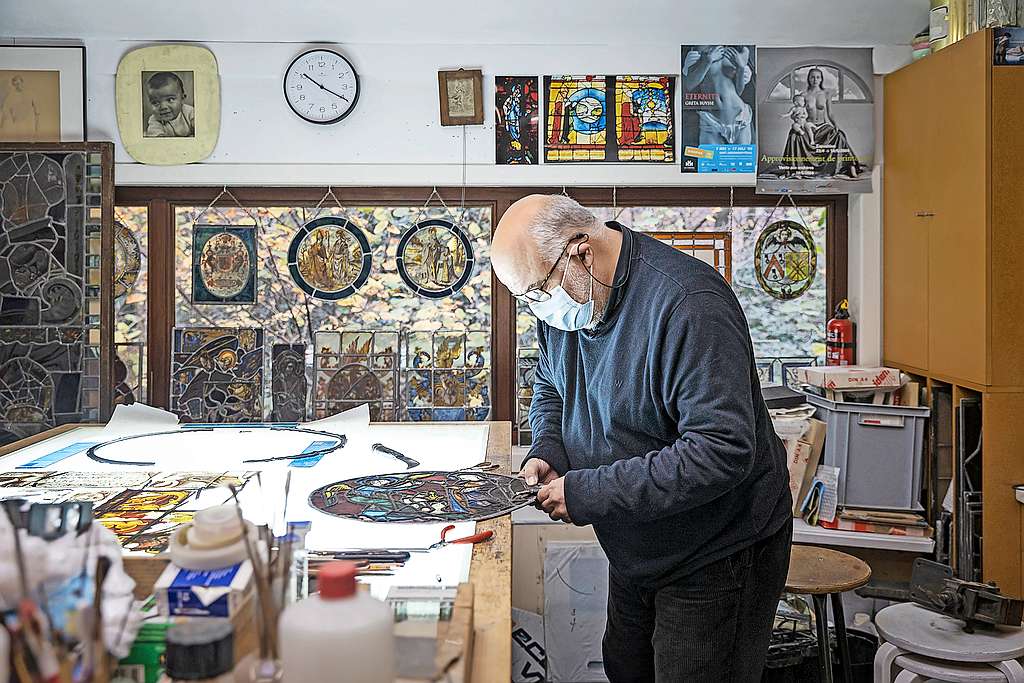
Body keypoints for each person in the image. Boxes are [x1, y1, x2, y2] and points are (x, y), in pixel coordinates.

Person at [492, 194, 792, 682]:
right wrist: (549, 449)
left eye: (537, 292)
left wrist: (588, 491)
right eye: (525, 298)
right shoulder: (572, 304)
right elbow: (550, 383)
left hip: (716, 550)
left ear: (582, 252)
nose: (538, 309)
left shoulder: (689, 305)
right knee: (627, 668)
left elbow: (721, 450)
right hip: (637, 541)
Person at [781, 67, 862, 179]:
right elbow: (797, 112)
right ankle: (793, 169)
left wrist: (835, 124)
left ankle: (850, 166)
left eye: (818, 77)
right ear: (809, 79)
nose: (815, 79)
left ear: (821, 79)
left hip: (823, 127)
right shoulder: (803, 95)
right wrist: (796, 119)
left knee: (840, 135)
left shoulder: (826, 94)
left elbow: (830, 113)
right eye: (812, 77)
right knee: (794, 135)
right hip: (808, 126)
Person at [682, 45, 754, 145]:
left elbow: (739, 91)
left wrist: (741, 68)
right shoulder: (701, 48)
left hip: (739, 117)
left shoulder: (741, 50)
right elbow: (690, 84)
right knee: (709, 159)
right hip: (711, 121)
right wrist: (707, 61)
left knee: (742, 160)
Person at [144, 72, 194, 137]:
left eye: (170, 99)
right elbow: (156, 140)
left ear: (182, 99)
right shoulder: (155, 120)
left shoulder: (190, 112)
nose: (163, 107)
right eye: (155, 102)